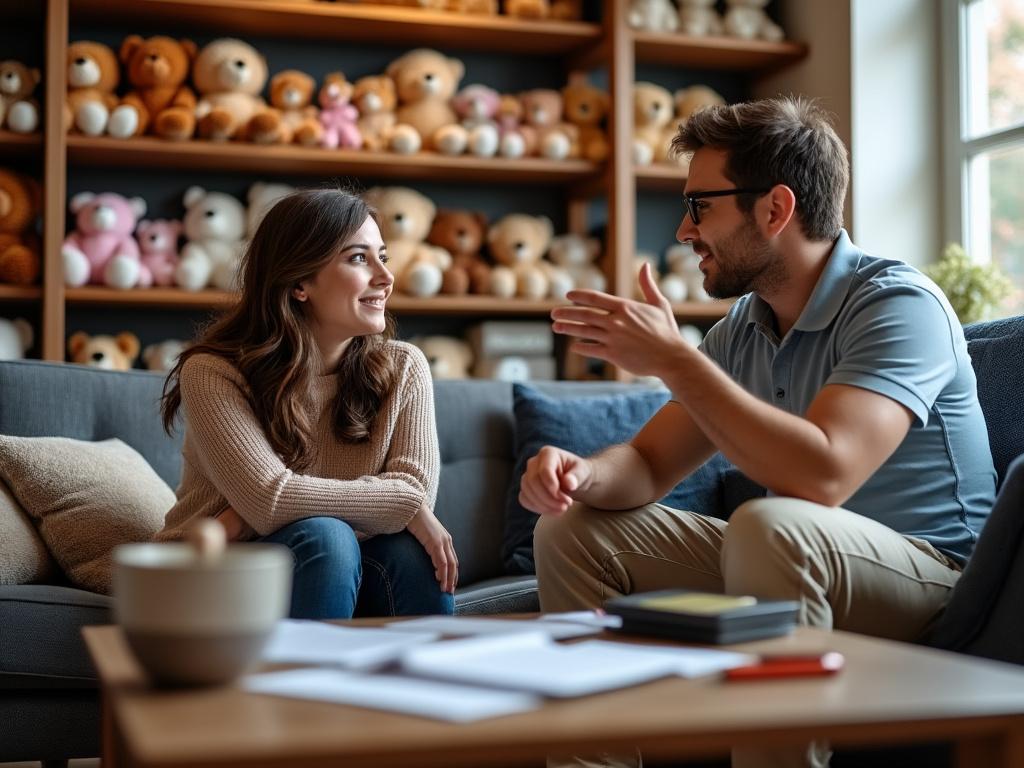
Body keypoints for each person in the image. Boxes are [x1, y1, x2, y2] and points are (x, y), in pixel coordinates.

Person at [521, 97, 996, 767]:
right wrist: (580, 475)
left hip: (933, 577)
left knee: (772, 521)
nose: (685, 232)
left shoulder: (898, 303)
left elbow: (823, 476)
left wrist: (677, 361)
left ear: (774, 209)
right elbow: (650, 467)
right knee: (574, 526)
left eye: (699, 207)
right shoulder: (742, 328)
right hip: (795, 554)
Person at [158, 188, 457, 620]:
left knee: (408, 551)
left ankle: (421, 685)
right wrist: (397, 505)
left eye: (383, 257)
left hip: (342, 566)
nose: (385, 277)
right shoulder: (213, 371)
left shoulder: (404, 367)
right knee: (327, 536)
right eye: (358, 258)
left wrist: (252, 509)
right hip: (216, 568)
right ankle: (301, 688)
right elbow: (270, 499)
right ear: (299, 281)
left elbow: (416, 492)